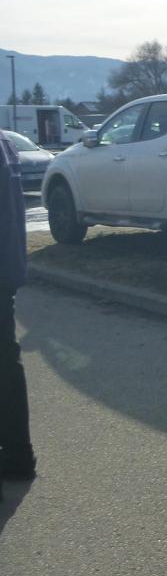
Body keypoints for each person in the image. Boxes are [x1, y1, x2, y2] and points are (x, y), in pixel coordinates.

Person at [0, 130, 37, 486]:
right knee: (6, 365)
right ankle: (17, 453)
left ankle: (17, 454)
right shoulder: (7, 144)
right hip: (7, 267)